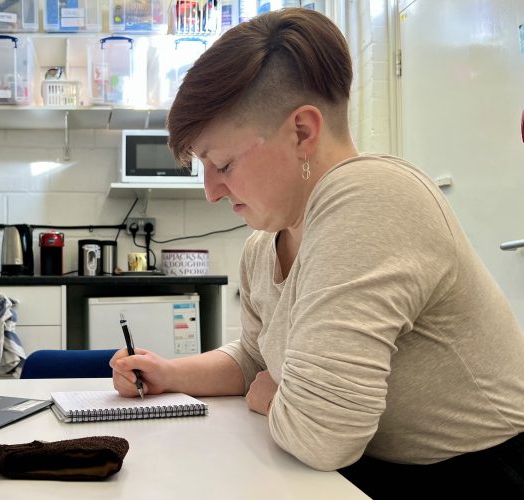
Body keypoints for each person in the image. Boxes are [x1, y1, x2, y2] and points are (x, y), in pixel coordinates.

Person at [110, 7, 524, 498]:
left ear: (302, 131)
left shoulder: (372, 197)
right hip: (367, 466)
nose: (211, 192)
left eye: (221, 163)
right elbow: (254, 358)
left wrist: (272, 393)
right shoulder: (265, 245)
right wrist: (170, 374)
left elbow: (323, 434)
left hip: (477, 475)